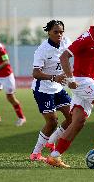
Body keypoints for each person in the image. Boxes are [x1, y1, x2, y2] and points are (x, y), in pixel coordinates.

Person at [46, 8, 94, 168]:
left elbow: (92, 62)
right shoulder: (86, 38)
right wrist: (71, 78)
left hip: (88, 80)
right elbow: (64, 56)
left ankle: (54, 156)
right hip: (80, 81)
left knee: (78, 122)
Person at [30, 20, 72, 161]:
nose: (59, 34)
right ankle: (36, 154)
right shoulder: (42, 49)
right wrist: (54, 77)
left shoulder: (66, 42)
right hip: (43, 89)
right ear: (48, 32)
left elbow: (74, 55)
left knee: (73, 117)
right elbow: (35, 73)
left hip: (58, 88)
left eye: (61, 31)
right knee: (52, 122)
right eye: (56, 32)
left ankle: (51, 141)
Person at [0, 29, 26, 127]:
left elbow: (6, 61)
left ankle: (21, 117)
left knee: (10, 98)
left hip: (7, 76)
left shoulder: (0, 48)